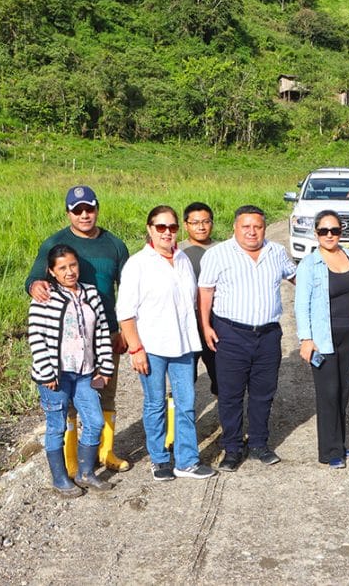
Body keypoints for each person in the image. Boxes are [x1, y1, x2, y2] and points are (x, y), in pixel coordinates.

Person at [26, 186, 131, 475]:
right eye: (77, 210)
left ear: (97, 209)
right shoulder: (55, 243)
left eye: (89, 209)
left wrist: (125, 329)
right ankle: (71, 458)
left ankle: (106, 452)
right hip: (66, 340)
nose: (84, 215)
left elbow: (129, 290)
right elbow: (34, 279)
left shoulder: (114, 244)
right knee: (69, 401)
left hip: (106, 332)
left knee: (106, 392)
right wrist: (34, 286)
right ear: (68, 213)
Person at [116, 206, 216, 481]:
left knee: (186, 403)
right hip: (152, 347)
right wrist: (136, 348)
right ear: (150, 229)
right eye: (161, 227)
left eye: (172, 227)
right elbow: (125, 312)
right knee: (155, 404)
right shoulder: (138, 264)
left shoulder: (182, 258)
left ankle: (187, 461)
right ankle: (159, 459)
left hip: (183, 345)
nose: (167, 232)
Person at [198, 205, 297, 472]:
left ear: (264, 228)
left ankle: (258, 444)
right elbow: (205, 292)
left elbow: (297, 277)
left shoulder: (276, 252)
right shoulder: (218, 254)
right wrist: (205, 326)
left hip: (267, 334)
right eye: (246, 226)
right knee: (230, 394)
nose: (252, 232)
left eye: (258, 226)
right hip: (230, 334)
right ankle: (232, 448)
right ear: (235, 227)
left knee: (263, 393)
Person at [28, 245, 115, 496]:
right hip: (56, 376)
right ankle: (59, 479)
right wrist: (46, 372)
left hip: (85, 373)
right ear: (52, 271)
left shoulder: (91, 293)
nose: (69, 272)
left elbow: (101, 332)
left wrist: (105, 367)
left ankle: (86, 473)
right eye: (62, 268)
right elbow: (36, 336)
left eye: (73, 265)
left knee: (95, 421)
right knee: (56, 426)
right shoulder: (45, 297)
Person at [295, 210, 349, 469]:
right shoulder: (309, 264)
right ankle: (329, 451)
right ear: (316, 234)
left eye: (334, 230)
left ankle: (339, 442)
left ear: (341, 232)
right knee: (328, 392)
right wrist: (306, 338)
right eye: (324, 231)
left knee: (343, 391)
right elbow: (301, 305)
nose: (330, 235)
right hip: (324, 337)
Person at [181, 201, 219, 396]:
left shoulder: (223, 250)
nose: (201, 227)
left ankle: (224, 411)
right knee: (185, 376)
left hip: (217, 320)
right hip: (186, 322)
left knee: (220, 373)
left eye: (206, 221)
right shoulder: (176, 252)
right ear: (185, 224)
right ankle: (181, 414)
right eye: (195, 222)